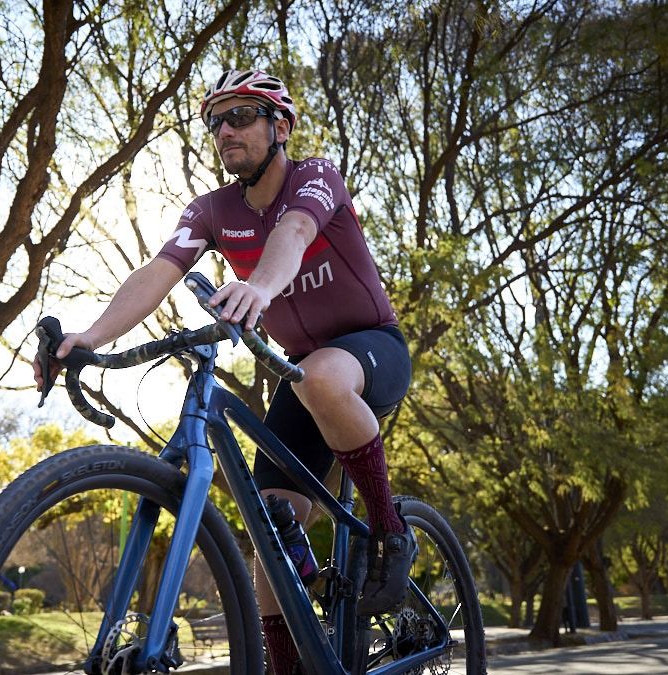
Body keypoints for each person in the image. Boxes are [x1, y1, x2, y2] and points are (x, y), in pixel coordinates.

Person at [32, 68, 415, 674]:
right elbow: (160, 270)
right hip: (304, 379)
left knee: (320, 374)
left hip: (371, 350)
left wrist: (260, 285)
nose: (224, 130)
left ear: (279, 126)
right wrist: (90, 336)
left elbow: (294, 232)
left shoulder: (316, 176)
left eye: (240, 116)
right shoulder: (212, 210)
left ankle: (391, 530)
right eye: (216, 121)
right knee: (268, 535)